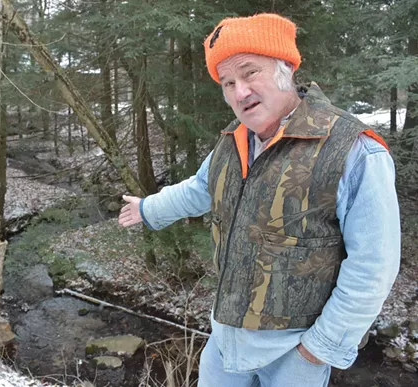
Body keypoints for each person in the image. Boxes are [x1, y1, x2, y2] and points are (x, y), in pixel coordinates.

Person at [118, 13, 400, 387]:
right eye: (228, 82)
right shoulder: (234, 141)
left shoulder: (353, 149)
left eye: (250, 73)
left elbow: (374, 266)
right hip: (225, 345)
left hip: (294, 355)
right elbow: (200, 189)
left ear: (285, 68)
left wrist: (317, 351)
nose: (240, 92)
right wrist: (148, 208)